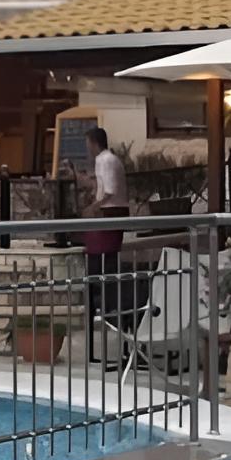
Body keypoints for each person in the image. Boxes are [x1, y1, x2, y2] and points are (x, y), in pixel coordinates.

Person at [79, 129, 129, 356]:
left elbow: (108, 191)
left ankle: (103, 303)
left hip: (109, 214)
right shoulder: (111, 160)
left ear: (93, 143)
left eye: (87, 143)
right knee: (107, 260)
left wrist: (92, 208)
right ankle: (105, 302)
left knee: (100, 261)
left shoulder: (104, 160)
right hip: (115, 213)